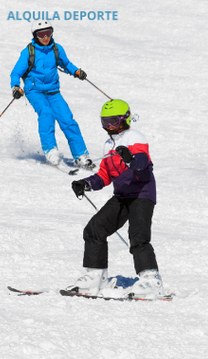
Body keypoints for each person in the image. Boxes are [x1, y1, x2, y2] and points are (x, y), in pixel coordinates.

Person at [62, 99, 165, 299]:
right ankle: (95, 278)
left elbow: (142, 161)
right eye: (105, 122)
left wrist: (130, 159)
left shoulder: (135, 137)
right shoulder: (108, 144)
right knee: (95, 229)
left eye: (114, 121)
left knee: (138, 237)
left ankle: (152, 281)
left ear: (125, 119)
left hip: (141, 194)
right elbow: (104, 175)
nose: (109, 127)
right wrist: (85, 184)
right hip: (122, 195)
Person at [9, 20, 94, 170]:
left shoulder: (56, 49)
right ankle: (51, 151)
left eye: (48, 33)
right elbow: (16, 73)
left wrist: (76, 71)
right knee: (46, 113)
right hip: (35, 91)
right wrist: (16, 87)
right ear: (35, 36)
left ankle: (81, 155)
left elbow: (66, 64)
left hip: (53, 91)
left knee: (67, 119)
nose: (45, 37)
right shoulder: (28, 52)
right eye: (41, 34)